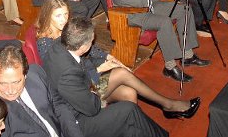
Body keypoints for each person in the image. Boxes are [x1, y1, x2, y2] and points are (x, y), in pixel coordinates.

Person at [36, 0, 199, 117]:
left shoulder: (67, 29)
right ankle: (168, 105)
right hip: (81, 89)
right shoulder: (46, 43)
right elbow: (67, 76)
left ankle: (132, 125)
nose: (64, 19)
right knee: (122, 73)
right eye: (58, 16)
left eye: (65, 14)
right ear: (48, 16)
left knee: (129, 92)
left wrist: (109, 58)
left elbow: (91, 49)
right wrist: (100, 69)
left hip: (90, 75)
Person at [42, 16, 173, 137]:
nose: (93, 42)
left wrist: (101, 68)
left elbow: (85, 66)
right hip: (78, 120)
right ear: (83, 47)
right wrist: (96, 82)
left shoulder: (61, 44)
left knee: (128, 92)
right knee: (129, 109)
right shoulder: (67, 73)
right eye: (92, 41)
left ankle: (156, 117)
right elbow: (92, 108)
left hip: (82, 93)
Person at [109, 0, 208, 83]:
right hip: (134, 14)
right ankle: (170, 67)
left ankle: (188, 55)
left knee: (184, 9)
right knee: (164, 22)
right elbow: (138, 3)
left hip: (148, 4)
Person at [0, 45, 85, 137]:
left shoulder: (36, 73)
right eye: (2, 83)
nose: (10, 90)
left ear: (25, 75)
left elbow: (58, 105)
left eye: (16, 82)